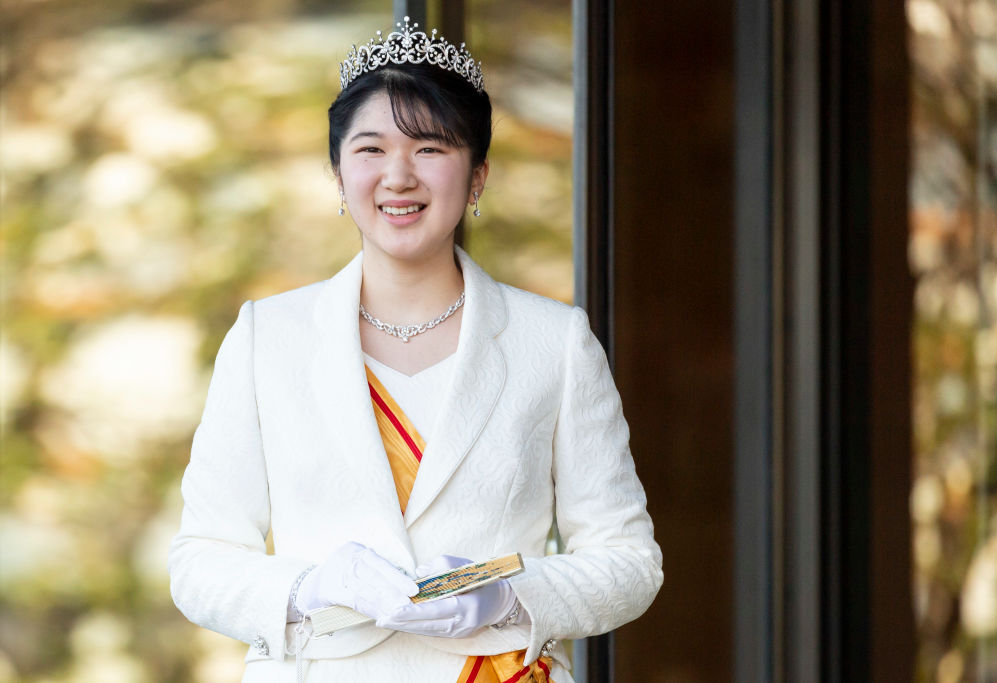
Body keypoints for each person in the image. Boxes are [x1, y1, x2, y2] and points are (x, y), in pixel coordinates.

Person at [168, 17, 662, 683]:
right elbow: (200, 560)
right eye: (371, 149)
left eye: (430, 147)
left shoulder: (555, 341)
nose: (398, 176)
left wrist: (510, 596)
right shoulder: (268, 337)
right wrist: (310, 588)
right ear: (339, 174)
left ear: (478, 176)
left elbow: (629, 561)